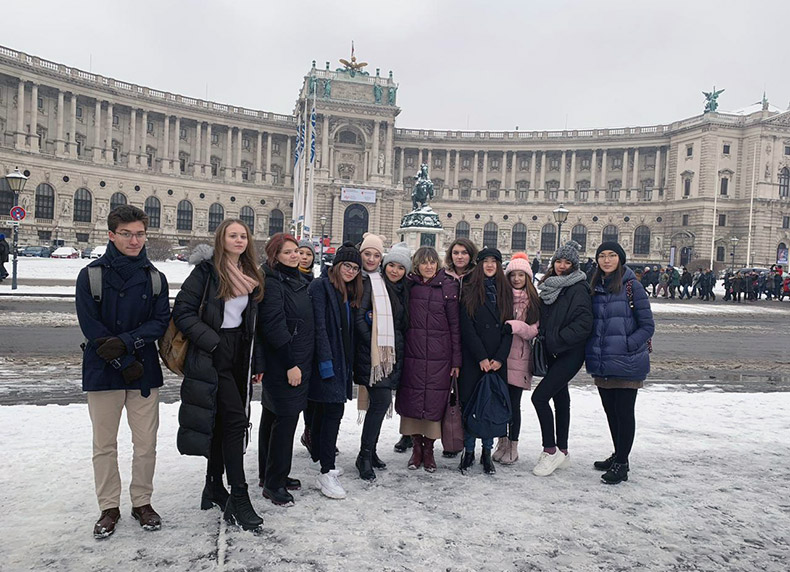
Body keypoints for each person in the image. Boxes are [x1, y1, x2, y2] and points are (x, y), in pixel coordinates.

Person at [75, 205, 170, 539]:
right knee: (104, 444)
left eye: (140, 234)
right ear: (111, 235)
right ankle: (109, 507)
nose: (134, 240)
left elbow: (160, 323)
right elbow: (91, 326)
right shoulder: (90, 276)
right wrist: (121, 359)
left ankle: (142, 502)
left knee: (146, 444)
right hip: (104, 370)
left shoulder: (156, 278)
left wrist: (128, 346)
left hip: (142, 371)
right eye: (127, 234)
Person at [172, 219, 265, 531]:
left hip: (240, 352)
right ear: (220, 239)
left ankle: (213, 485)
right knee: (237, 422)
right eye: (232, 235)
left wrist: (255, 361)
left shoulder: (251, 274)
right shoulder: (206, 271)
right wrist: (211, 342)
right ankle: (239, 495)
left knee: (224, 422)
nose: (238, 240)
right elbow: (182, 311)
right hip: (213, 352)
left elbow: (254, 323)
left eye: (243, 236)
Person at [586, 242, 655, 484]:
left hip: (627, 361)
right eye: (602, 256)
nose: (606, 260)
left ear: (620, 259)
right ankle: (618, 453)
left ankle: (622, 464)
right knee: (611, 413)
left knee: (624, 413)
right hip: (603, 361)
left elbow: (648, 326)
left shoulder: (631, 286)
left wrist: (627, 345)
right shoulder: (594, 286)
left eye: (612, 255)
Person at [257, 233, 314, 506]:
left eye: (296, 251)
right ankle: (274, 483)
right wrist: (291, 364)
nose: (295, 256)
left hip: (293, 359)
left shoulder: (293, 279)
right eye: (288, 252)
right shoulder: (273, 283)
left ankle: (268, 473)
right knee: (285, 422)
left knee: (271, 417)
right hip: (286, 363)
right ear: (274, 256)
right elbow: (274, 328)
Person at [395, 246, 461, 473]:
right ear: (417, 264)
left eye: (433, 262)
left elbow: (455, 326)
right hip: (413, 354)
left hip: (439, 357)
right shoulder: (409, 286)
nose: (429, 266)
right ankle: (416, 448)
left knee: (434, 403)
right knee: (413, 401)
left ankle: (429, 450)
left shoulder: (448, 286)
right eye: (424, 262)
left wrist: (456, 361)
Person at [531, 241, 593, 477]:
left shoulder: (579, 288)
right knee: (560, 399)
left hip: (569, 353)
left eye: (567, 262)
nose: (562, 266)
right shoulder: (550, 286)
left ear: (574, 265)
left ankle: (550, 449)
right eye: (559, 261)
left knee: (539, 398)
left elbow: (584, 323)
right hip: (553, 352)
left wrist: (556, 339)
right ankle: (563, 451)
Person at [308, 242, 363, 499]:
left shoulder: (347, 291)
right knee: (332, 413)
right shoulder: (321, 287)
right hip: (326, 362)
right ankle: (326, 471)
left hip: (340, 362)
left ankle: (323, 459)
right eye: (347, 265)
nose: (351, 271)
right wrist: (326, 362)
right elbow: (318, 327)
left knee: (326, 413)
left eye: (355, 267)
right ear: (337, 265)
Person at [354, 236, 409, 481]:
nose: (395, 271)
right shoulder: (373, 284)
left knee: (379, 405)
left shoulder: (404, 289)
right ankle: (364, 456)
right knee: (380, 402)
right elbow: (359, 319)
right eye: (392, 266)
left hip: (391, 354)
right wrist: (373, 343)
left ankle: (370, 451)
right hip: (374, 356)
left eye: (400, 267)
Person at [458, 247, 513, 475]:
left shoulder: (506, 291)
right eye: (485, 261)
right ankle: (469, 451)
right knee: (471, 406)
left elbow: (509, 328)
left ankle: (486, 453)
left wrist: (499, 358)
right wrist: (481, 356)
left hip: (497, 361)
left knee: (491, 408)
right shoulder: (469, 289)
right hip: (474, 359)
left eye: (494, 261)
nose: (490, 265)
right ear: (479, 264)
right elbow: (467, 327)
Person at [427, 236, 479, 459]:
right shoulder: (442, 275)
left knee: (464, 395)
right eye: (456, 252)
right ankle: (424, 435)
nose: (460, 257)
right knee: (437, 392)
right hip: (444, 340)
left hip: (470, 343)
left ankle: (461, 438)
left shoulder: (476, 277)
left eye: (464, 253)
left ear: (471, 255)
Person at [493, 252, 540, 466]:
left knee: (514, 404)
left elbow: (533, 331)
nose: (517, 279)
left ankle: (513, 444)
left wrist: (514, 326)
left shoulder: (534, 301)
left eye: (521, 275)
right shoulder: (501, 296)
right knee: (500, 403)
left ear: (528, 277)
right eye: (513, 275)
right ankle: (501, 441)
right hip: (501, 357)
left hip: (520, 358)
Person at [295, 238, 316, 457]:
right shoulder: (291, 278)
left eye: (308, 254)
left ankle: (310, 432)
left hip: (311, 344)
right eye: (301, 253)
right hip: (296, 345)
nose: (304, 257)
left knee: (312, 395)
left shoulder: (314, 280)